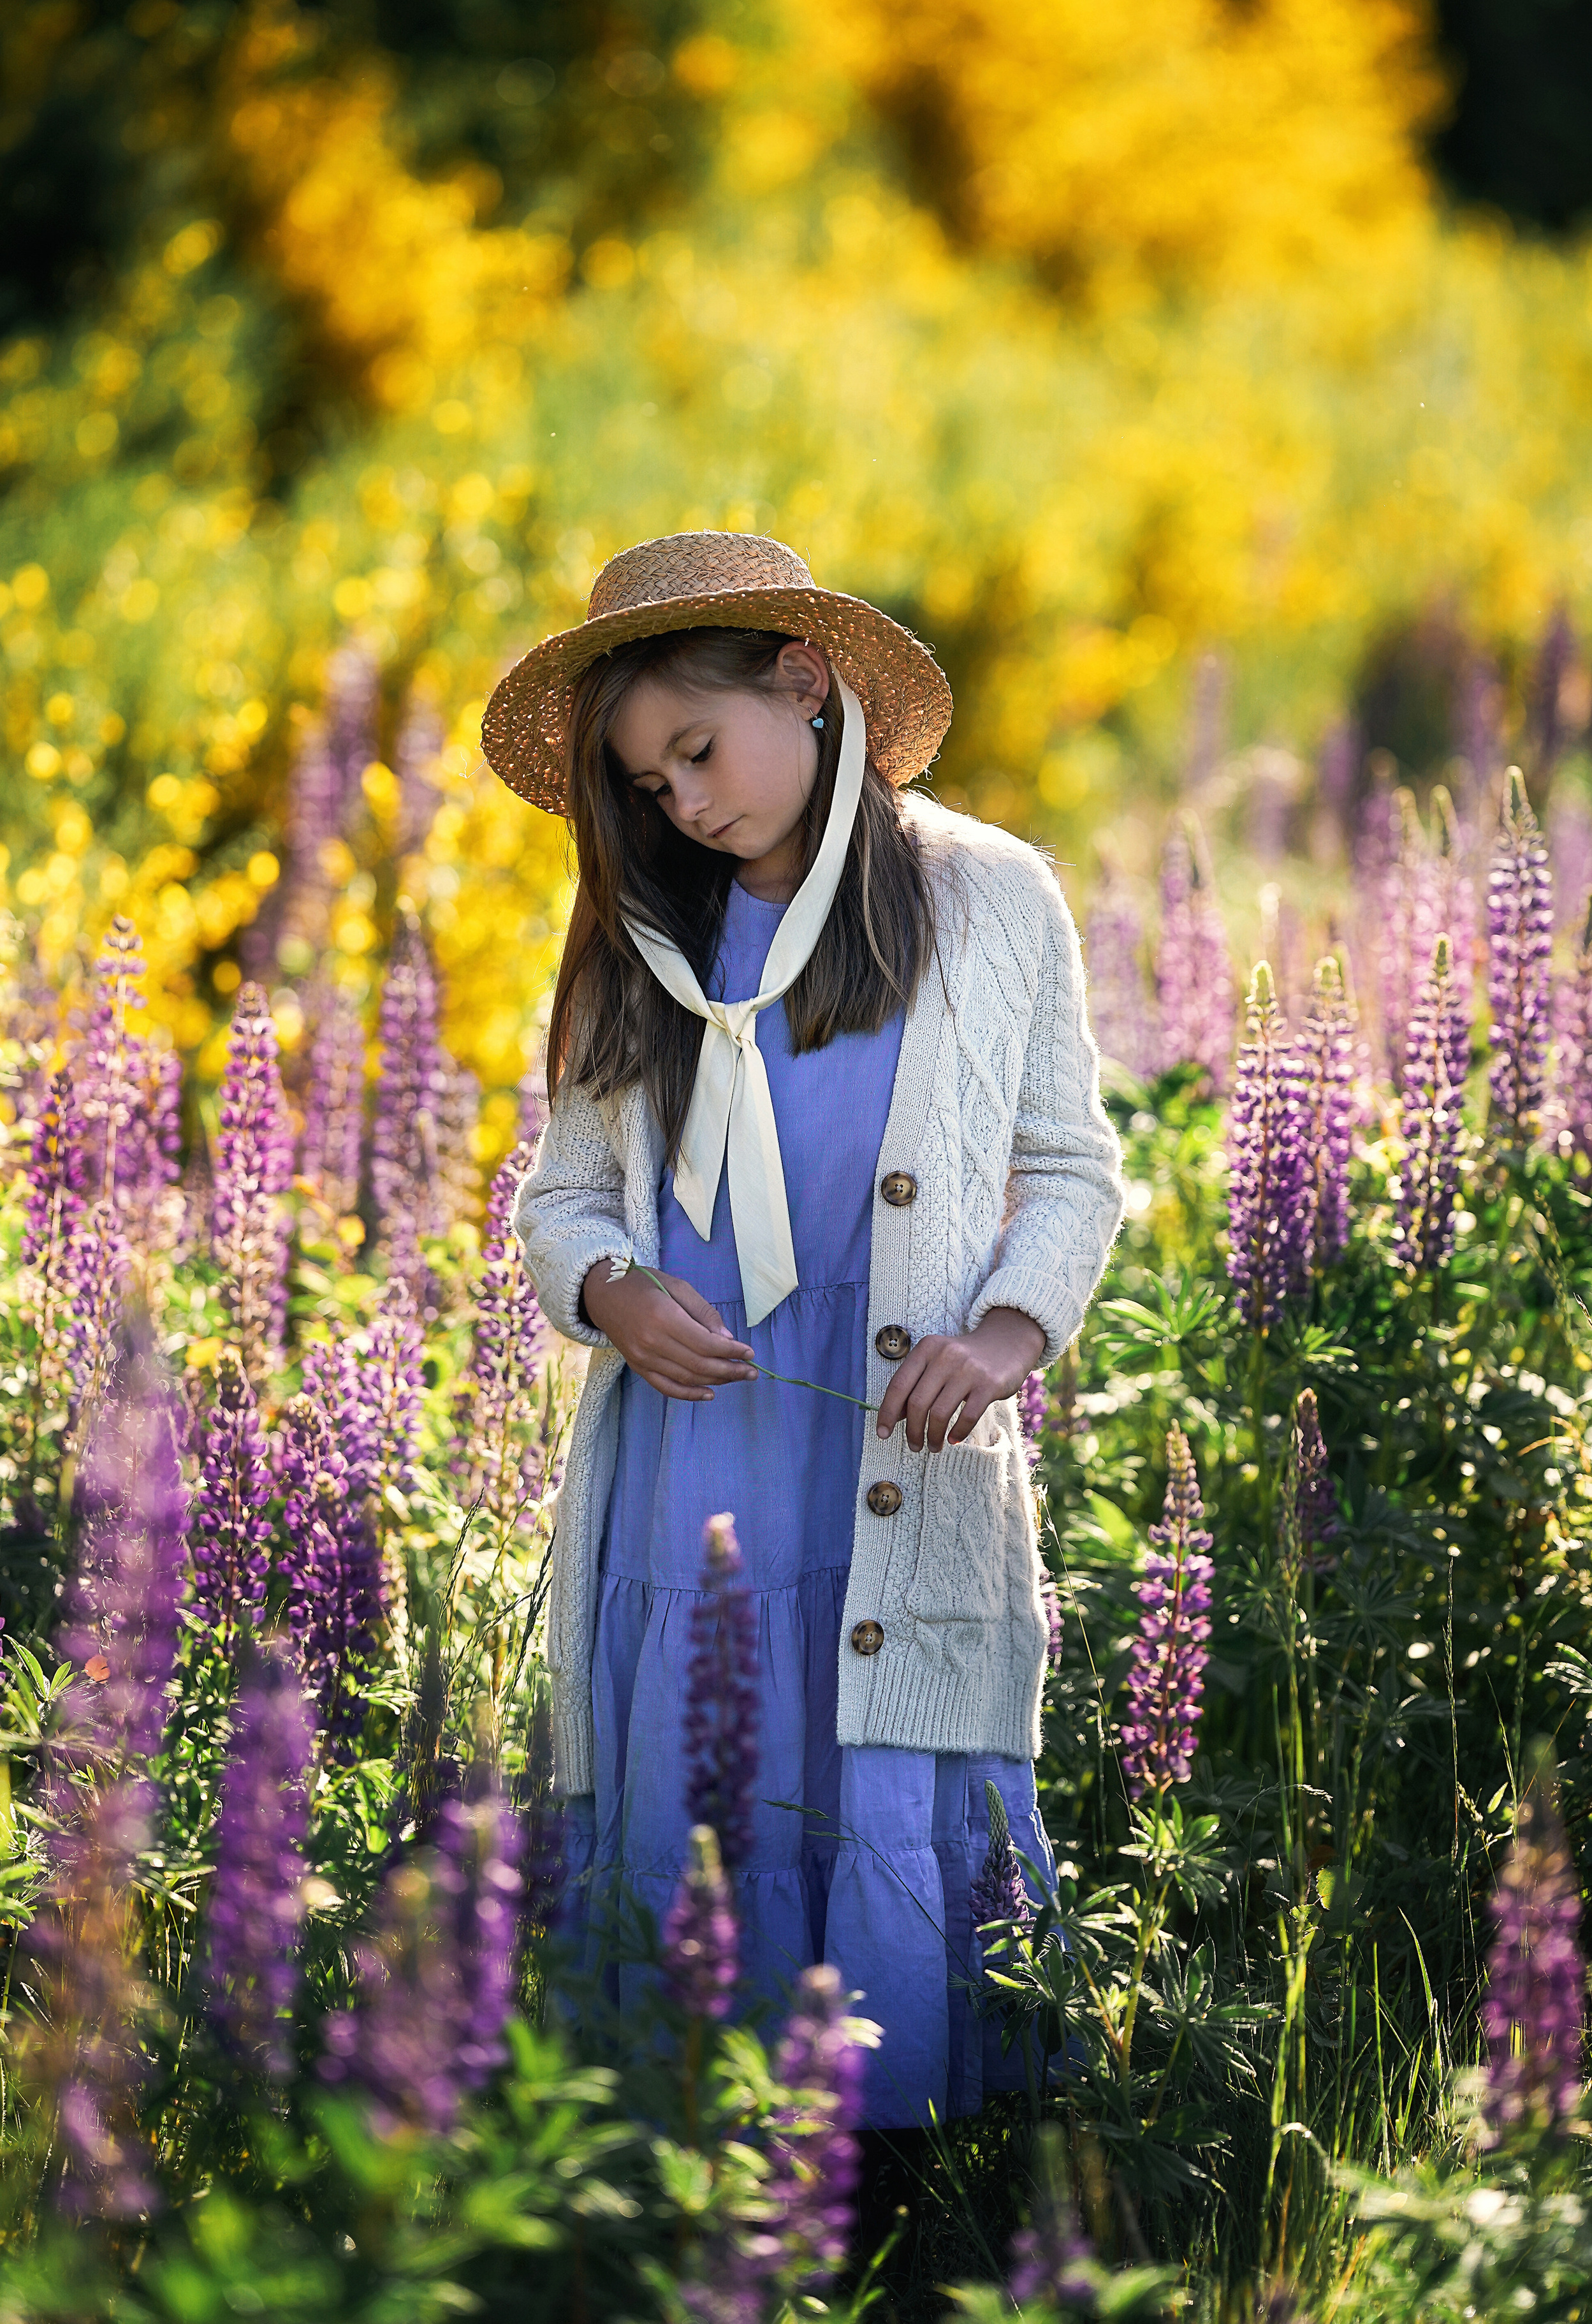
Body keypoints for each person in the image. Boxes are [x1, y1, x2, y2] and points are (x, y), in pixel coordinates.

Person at [485, 530, 1123, 2131]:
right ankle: (684, 2164)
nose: (681, 805)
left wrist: (1003, 1334)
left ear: (807, 680)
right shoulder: (649, 945)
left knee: (877, 1773)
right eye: (643, 785)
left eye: (695, 753)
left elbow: (1069, 1170)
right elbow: (560, 1201)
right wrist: (615, 1295)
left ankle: (894, 2170)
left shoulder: (987, 897)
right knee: (704, 1785)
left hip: (894, 1445)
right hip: (696, 1451)